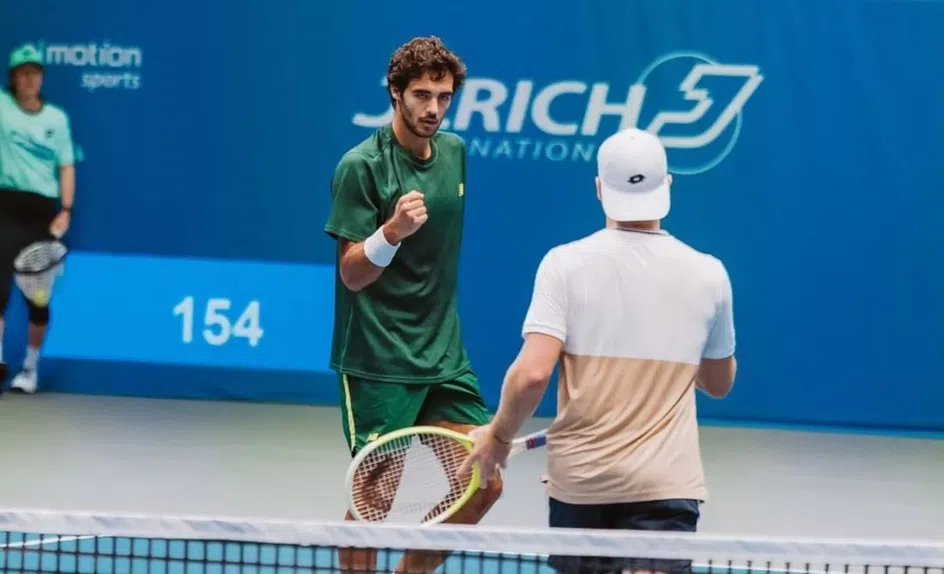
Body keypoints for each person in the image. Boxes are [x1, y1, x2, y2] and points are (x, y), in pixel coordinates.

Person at [463, 127, 738, 574]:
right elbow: (718, 383)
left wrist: (497, 437)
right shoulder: (710, 274)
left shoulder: (563, 264)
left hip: (582, 485)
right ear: (668, 184)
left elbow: (533, 374)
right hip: (665, 483)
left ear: (599, 189)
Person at [323, 36, 502, 574]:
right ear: (395, 93)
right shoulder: (361, 166)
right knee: (373, 504)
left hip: (443, 357)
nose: (433, 109)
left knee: (484, 483)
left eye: (444, 97)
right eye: (422, 95)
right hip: (378, 360)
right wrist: (391, 233)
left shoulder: (456, 153)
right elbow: (353, 274)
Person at [0, 43, 76, 394]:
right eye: (23, 73)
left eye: (35, 72)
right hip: (5, 209)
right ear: (13, 78)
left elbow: (66, 165)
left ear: (42, 78)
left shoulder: (57, 120)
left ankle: (30, 369)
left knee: (38, 298)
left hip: (42, 215)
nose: (30, 79)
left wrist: (66, 210)